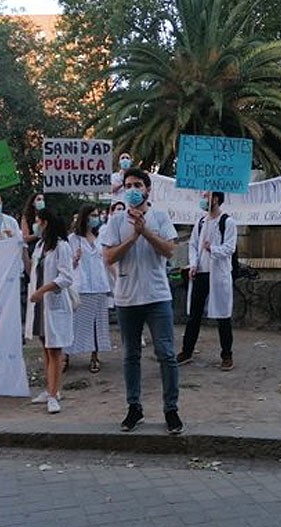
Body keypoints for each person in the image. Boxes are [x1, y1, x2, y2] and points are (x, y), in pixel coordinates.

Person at [102, 167, 183, 434]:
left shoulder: (160, 216)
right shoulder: (116, 221)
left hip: (157, 296)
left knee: (166, 354)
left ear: (148, 189)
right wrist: (133, 237)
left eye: (138, 185)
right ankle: (134, 408)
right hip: (127, 298)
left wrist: (145, 232)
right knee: (130, 355)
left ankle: (171, 410)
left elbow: (170, 250)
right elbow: (109, 257)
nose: (132, 190)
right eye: (128, 186)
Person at [177, 191, 236, 371]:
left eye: (206, 196)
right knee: (194, 315)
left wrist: (213, 249)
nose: (203, 200)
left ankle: (227, 355)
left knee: (223, 315)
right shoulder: (201, 222)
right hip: (201, 273)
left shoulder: (227, 222)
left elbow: (229, 248)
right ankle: (187, 351)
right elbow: (193, 245)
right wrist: (193, 264)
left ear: (215, 199)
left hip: (218, 274)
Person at [25, 207, 74, 414]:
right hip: (40, 306)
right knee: (45, 347)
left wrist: (43, 290)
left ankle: (54, 396)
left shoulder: (62, 247)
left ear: (45, 223)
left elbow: (66, 277)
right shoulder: (40, 246)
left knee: (55, 350)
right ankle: (50, 389)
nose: (36, 225)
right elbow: (33, 270)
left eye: (38, 221)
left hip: (53, 303)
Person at [67, 204, 112, 373]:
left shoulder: (100, 237)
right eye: (92, 215)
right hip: (82, 286)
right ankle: (66, 356)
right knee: (75, 323)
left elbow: (105, 260)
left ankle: (95, 356)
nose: (96, 218)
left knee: (97, 324)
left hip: (99, 285)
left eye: (97, 215)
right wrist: (74, 259)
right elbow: (67, 264)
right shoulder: (73, 239)